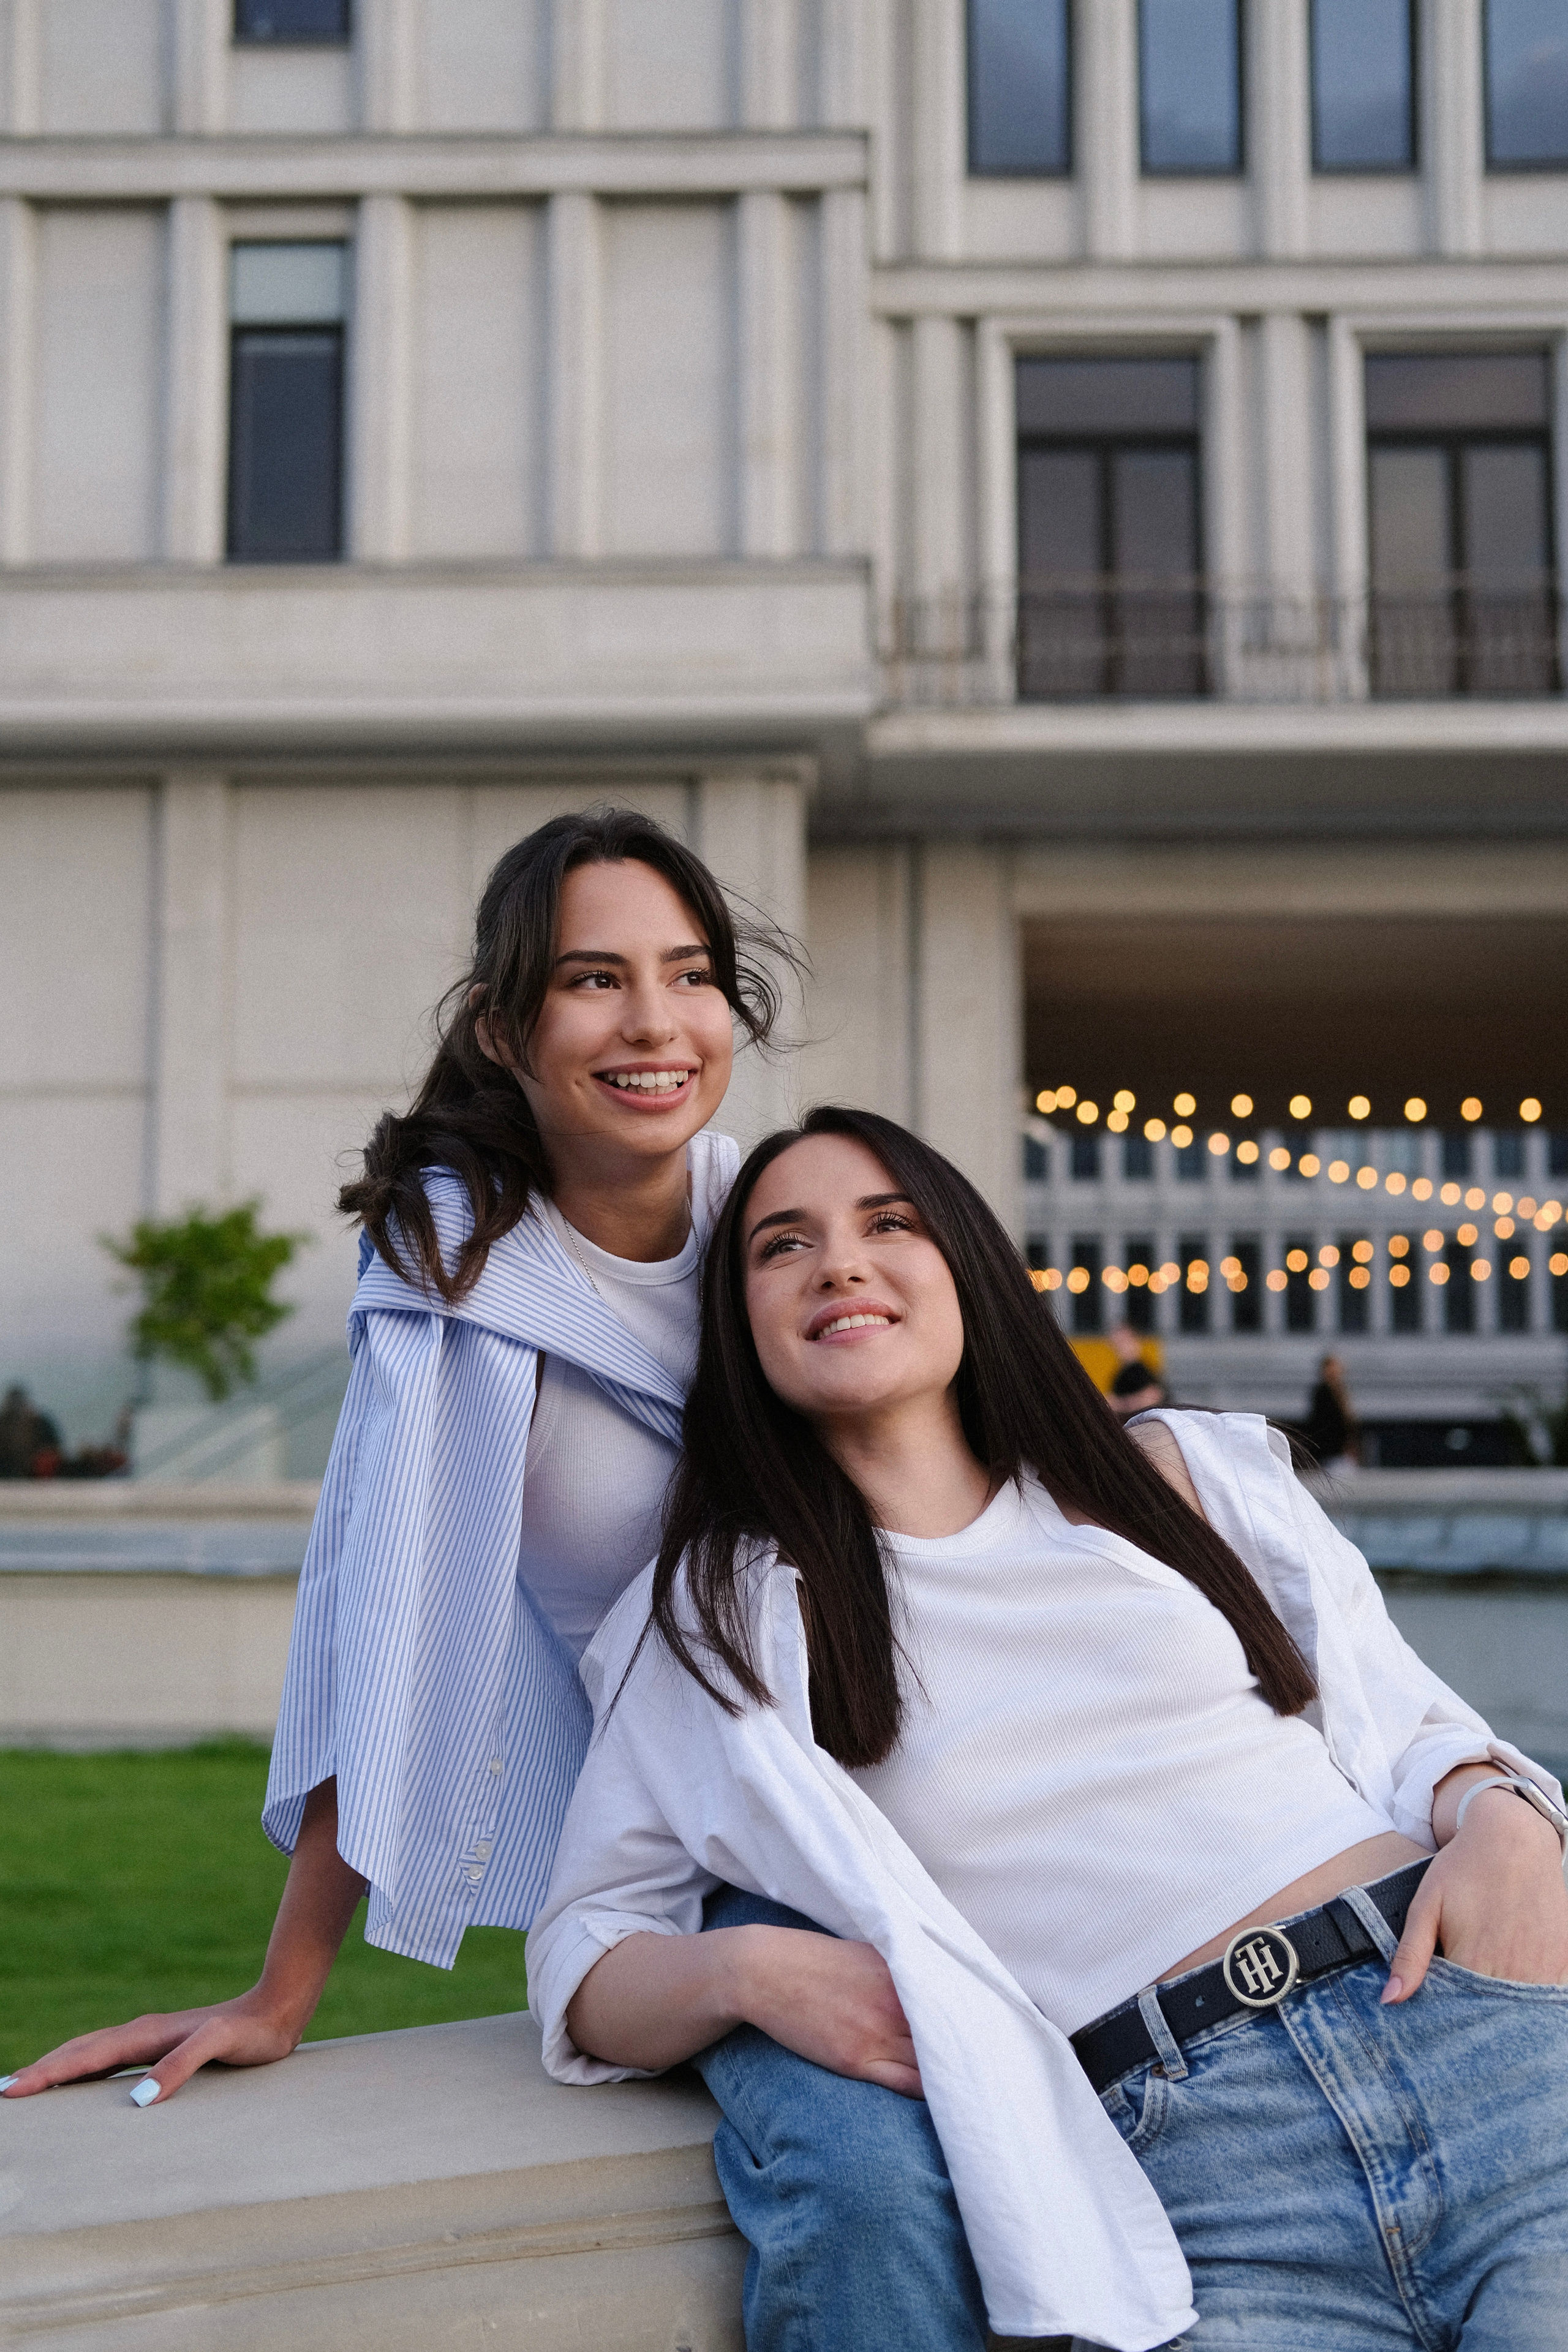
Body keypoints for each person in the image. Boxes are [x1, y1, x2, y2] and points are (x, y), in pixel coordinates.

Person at [1, 816, 983, 2352]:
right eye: (594, 979)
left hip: (958, 1766)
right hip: (714, 1838)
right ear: (502, 1023)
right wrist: (281, 1988)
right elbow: (394, 1616)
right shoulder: (457, 1273)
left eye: (690, 974)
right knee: (875, 2184)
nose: (654, 1024)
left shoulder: (794, 1220)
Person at [528, 1106, 1568, 2351]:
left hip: (1479, 2036)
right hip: (1195, 2174)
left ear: (963, 1262)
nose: (839, 1265)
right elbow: (589, 1943)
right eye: (781, 1246)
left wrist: (1504, 1816)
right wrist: (744, 1973)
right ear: (741, 1327)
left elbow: (1406, 1728)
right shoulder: (723, 1619)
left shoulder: (1182, 1474)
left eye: (886, 1223)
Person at [1304, 1352, 1359, 1469]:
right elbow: (1323, 1424)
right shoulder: (1322, 1393)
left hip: (1340, 1451)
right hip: (1330, 1451)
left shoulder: (1340, 1392)